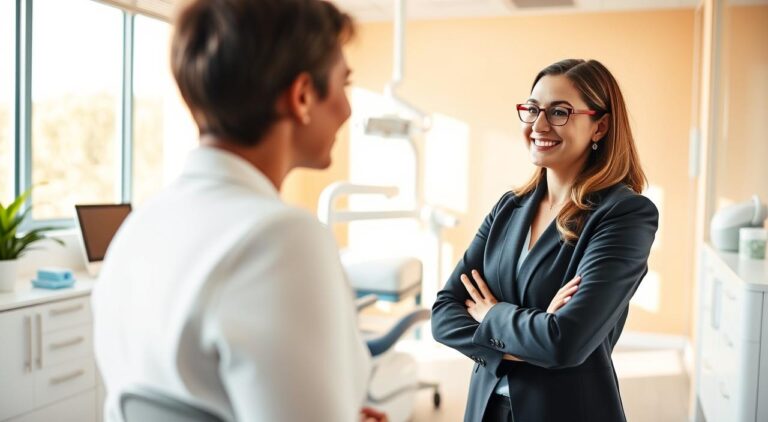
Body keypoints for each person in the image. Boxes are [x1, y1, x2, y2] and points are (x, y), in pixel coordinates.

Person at [92, 1, 386, 421]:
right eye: (345, 83)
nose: (348, 108)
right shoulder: (281, 239)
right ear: (302, 96)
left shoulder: (140, 227)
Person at [431, 59, 659, 422]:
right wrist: (529, 336)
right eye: (533, 109)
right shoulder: (509, 208)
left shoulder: (625, 215)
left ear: (600, 126)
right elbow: (444, 314)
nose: (539, 125)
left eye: (559, 112)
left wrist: (491, 314)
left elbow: (564, 342)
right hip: (486, 408)